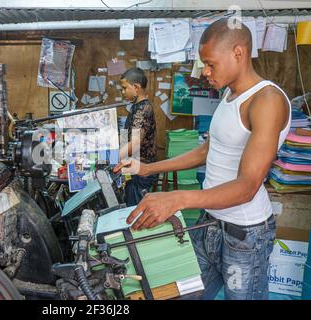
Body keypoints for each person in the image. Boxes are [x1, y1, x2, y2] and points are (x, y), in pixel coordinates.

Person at [113, 18, 291, 300]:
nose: (205, 72)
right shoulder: (230, 96)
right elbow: (207, 151)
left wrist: (178, 199)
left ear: (238, 53)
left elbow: (247, 186)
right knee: (182, 293)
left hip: (245, 235)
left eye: (210, 63)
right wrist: (148, 167)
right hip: (210, 224)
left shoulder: (267, 100)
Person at [119, 67, 157, 206]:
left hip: (141, 170)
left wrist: (111, 158)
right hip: (132, 167)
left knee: (135, 211)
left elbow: (134, 144)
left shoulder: (142, 110)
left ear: (136, 87)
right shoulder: (135, 106)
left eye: (124, 88)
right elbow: (126, 135)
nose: (122, 92)